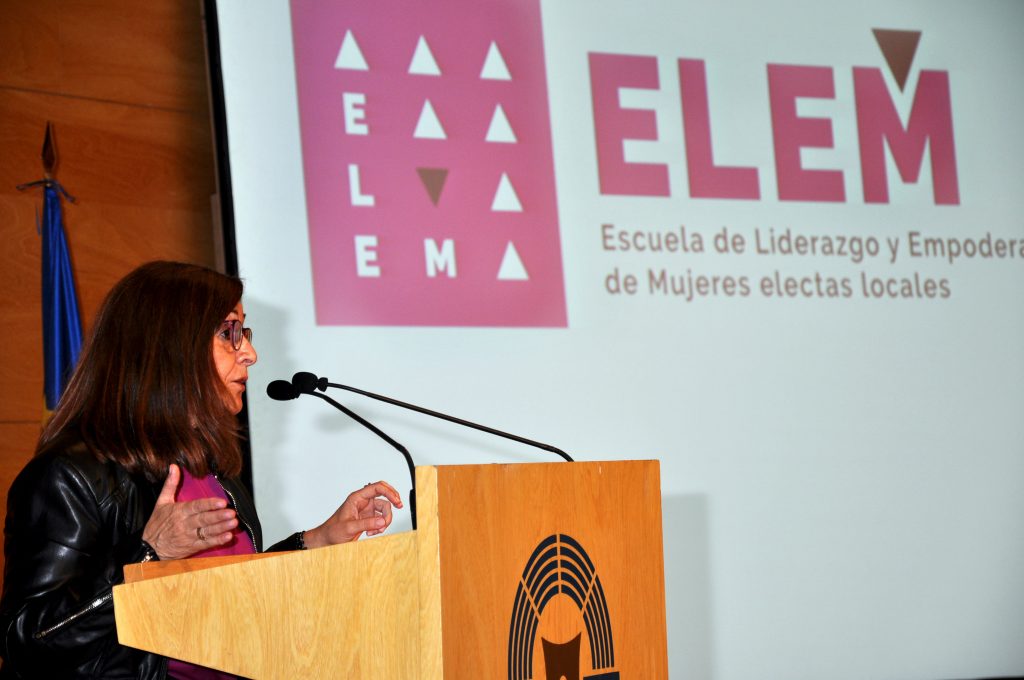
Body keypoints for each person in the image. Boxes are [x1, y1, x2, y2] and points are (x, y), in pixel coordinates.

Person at [0, 261, 402, 679]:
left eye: (244, 332)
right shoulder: (72, 475)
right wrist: (149, 556)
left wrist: (317, 541)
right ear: (171, 345)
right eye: (229, 333)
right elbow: (25, 641)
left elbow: (227, 591)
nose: (250, 352)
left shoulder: (212, 467)